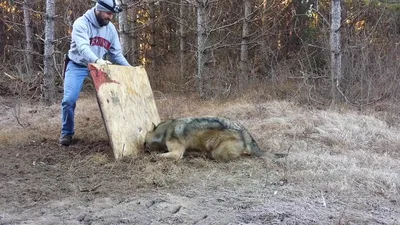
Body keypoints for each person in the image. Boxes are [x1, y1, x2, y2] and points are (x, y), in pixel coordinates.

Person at [60, 0, 130, 146]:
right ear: (99, 9)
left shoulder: (110, 29)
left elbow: (116, 54)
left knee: (113, 99)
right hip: (78, 65)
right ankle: (67, 133)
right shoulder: (81, 23)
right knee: (69, 101)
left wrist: (131, 69)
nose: (110, 17)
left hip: (100, 67)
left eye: (112, 14)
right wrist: (98, 60)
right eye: (108, 13)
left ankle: (119, 133)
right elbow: (83, 48)